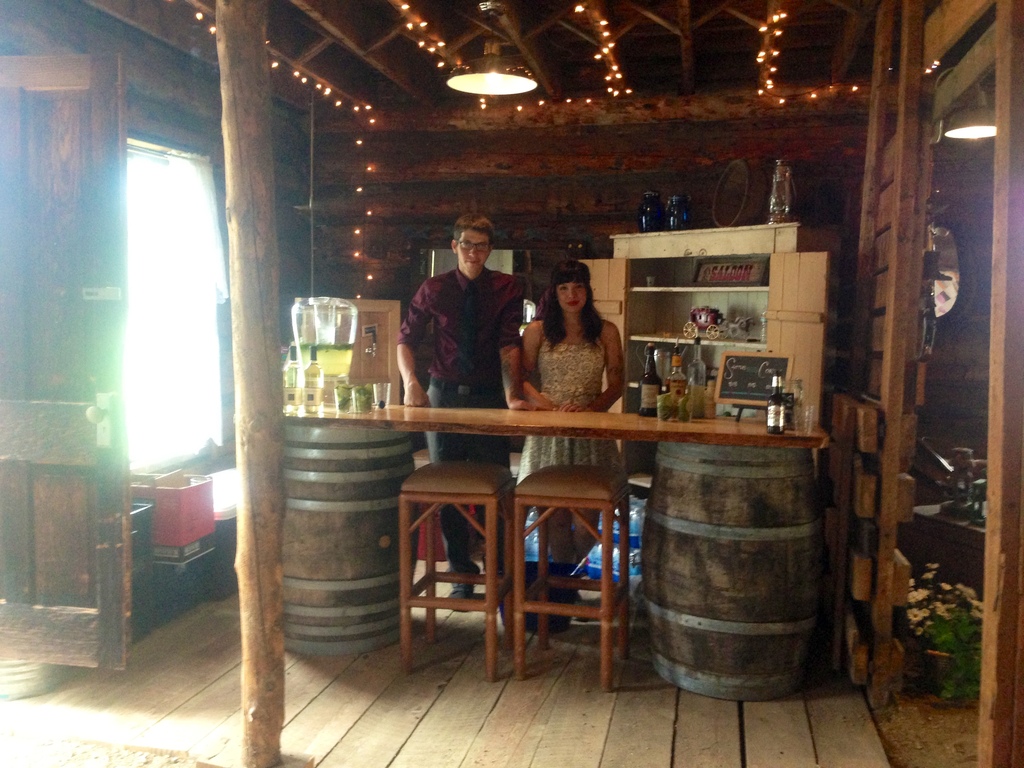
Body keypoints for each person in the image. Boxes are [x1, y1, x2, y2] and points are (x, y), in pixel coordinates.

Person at [397, 214, 533, 599]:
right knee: (448, 489)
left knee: (496, 484)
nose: (474, 252)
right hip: (443, 396)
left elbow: (509, 343)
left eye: (482, 245)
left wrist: (512, 394)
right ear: (454, 246)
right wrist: (411, 383)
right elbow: (405, 339)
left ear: (490, 249)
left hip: (490, 396)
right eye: (467, 244)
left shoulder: (507, 287)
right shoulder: (434, 288)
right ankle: (460, 574)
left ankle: (499, 571)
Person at [519, 258, 625, 565]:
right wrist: (548, 406)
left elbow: (616, 385)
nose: (571, 294)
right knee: (554, 518)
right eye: (563, 288)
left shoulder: (606, 331)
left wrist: (589, 410)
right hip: (548, 431)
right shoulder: (537, 331)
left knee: (587, 519)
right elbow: (521, 380)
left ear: (588, 290)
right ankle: (563, 581)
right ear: (554, 292)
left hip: (590, 432)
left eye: (578, 287)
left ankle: (571, 575)